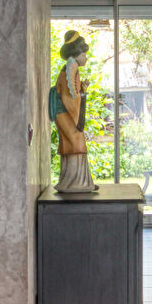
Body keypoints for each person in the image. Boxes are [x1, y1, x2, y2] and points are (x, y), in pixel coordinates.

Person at [52, 31, 99, 193]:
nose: (86, 58)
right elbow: (69, 95)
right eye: (84, 54)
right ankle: (74, 183)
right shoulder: (71, 68)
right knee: (75, 145)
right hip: (66, 114)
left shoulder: (70, 69)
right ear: (77, 54)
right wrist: (82, 94)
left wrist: (82, 90)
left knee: (73, 144)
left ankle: (76, 181)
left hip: (64, 113)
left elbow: (74, 92)